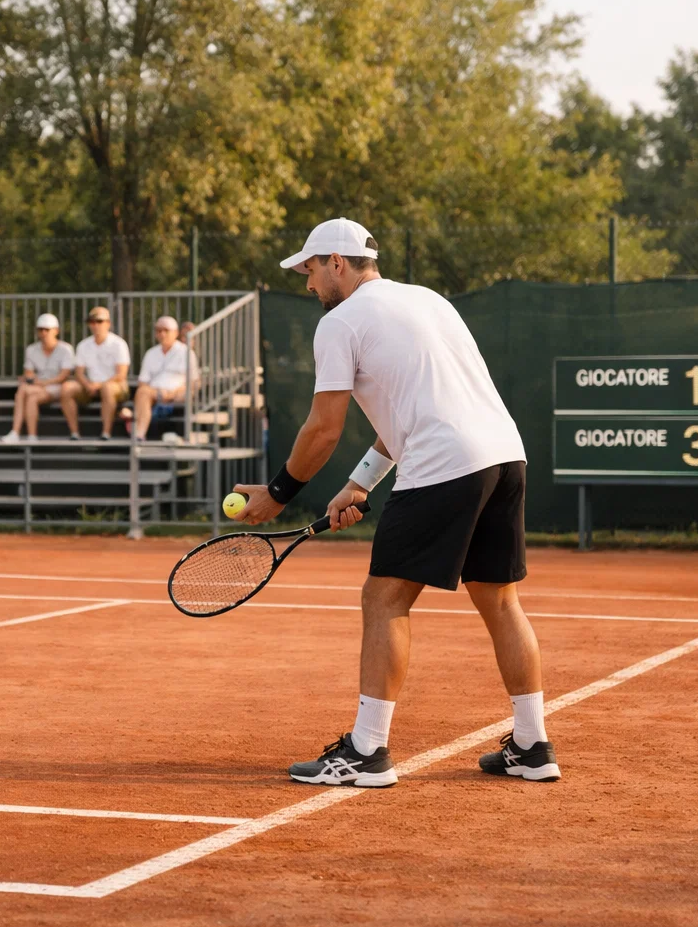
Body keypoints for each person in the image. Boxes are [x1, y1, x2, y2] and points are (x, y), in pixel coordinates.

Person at [232, 218, 556, 788]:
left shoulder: (341, 323)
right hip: (505, 456)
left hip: (444, 463)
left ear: (338, 262)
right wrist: (362, 482)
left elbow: (323, 428)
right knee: (501, 602)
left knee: (384, 599)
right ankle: (532, 745)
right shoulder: (429, 301)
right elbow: (424, 406)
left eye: (310, 269)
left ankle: (367, 751)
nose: (308, 284)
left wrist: (278, 494)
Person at [2, 313, 78, 442]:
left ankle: (16, 431)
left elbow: (63, 376)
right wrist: (32, 380)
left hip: (58, 387)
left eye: (46, 329)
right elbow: (29, 372)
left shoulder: (66, 349)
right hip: (39, 388)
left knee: (23, 390)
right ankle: (31, 435)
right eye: (40, 329)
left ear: (56, 331)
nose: (43, 333)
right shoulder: (31, 349)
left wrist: (41, 382)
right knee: (29, 395)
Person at [61, 306, 131, 441]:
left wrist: (99, 385)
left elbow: (121, 374)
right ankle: (74, 433)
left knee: (107, 388)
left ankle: (106, 433)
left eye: (99, 321)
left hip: (114, 386)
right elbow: (79, 373)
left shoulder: (118, 344)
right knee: (66, 388)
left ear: (108, 323)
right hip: (91, 386)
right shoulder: (83, 345)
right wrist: (88, 385)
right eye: (92, 322)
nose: (95, 325)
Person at [129, 315, 196, 441]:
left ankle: (138, 431)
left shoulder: (186, 353)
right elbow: (143, 382)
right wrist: (158, 393)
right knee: (142, 392)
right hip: (154, 393)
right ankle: (139, 433)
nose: (162, 334)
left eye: (166, 330)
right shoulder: (151, 353)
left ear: (175, 333)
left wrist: (172, 393)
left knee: (143, 394)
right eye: (159, 330)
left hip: (178, 393)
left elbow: (193, 382)